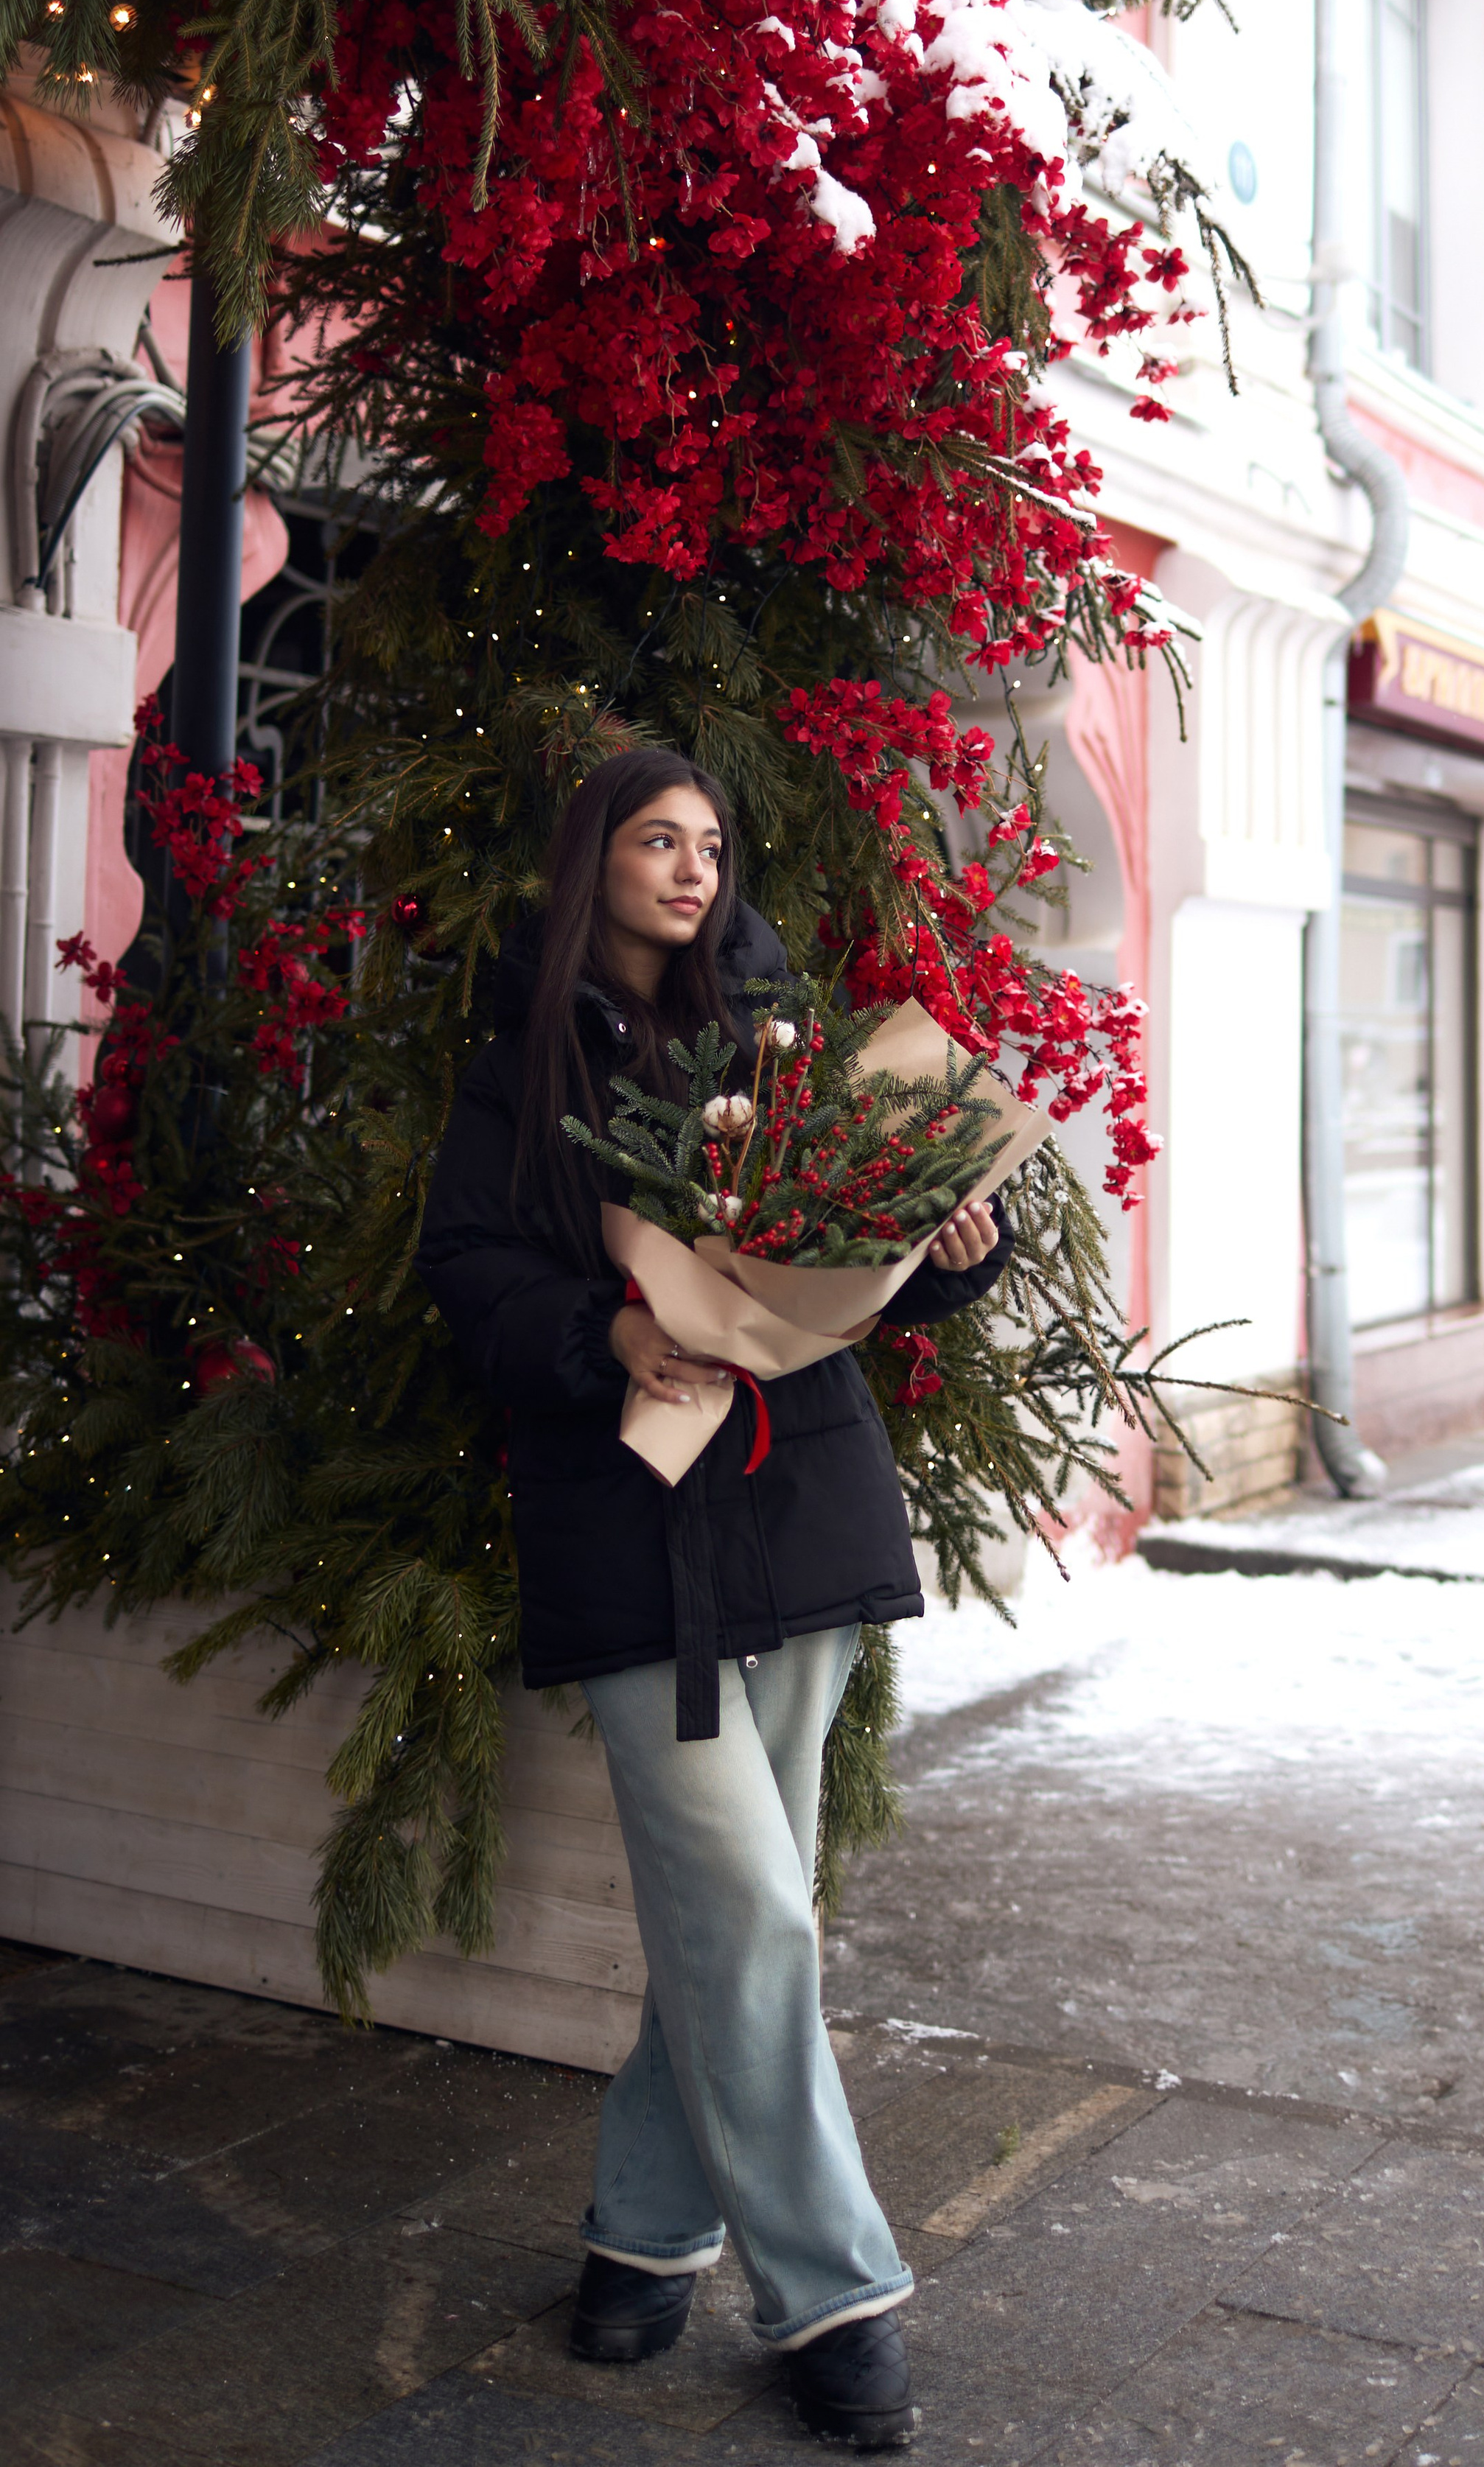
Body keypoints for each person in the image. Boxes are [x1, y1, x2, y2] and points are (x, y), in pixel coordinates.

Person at [416, 746, 1012, 2449]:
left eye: (708, 842)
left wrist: (952, 1254)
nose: (690, 866)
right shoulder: (514, 1073)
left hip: (795, 1510)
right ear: (592, 859)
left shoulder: (786, 1048)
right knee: (750, 1911)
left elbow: (859, 1268)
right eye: (655, 839)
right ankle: (834, 2294)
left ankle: (642, 2232)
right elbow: (468, 1274)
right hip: (625, 1535)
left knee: (741, 1914)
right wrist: (605, 1326)